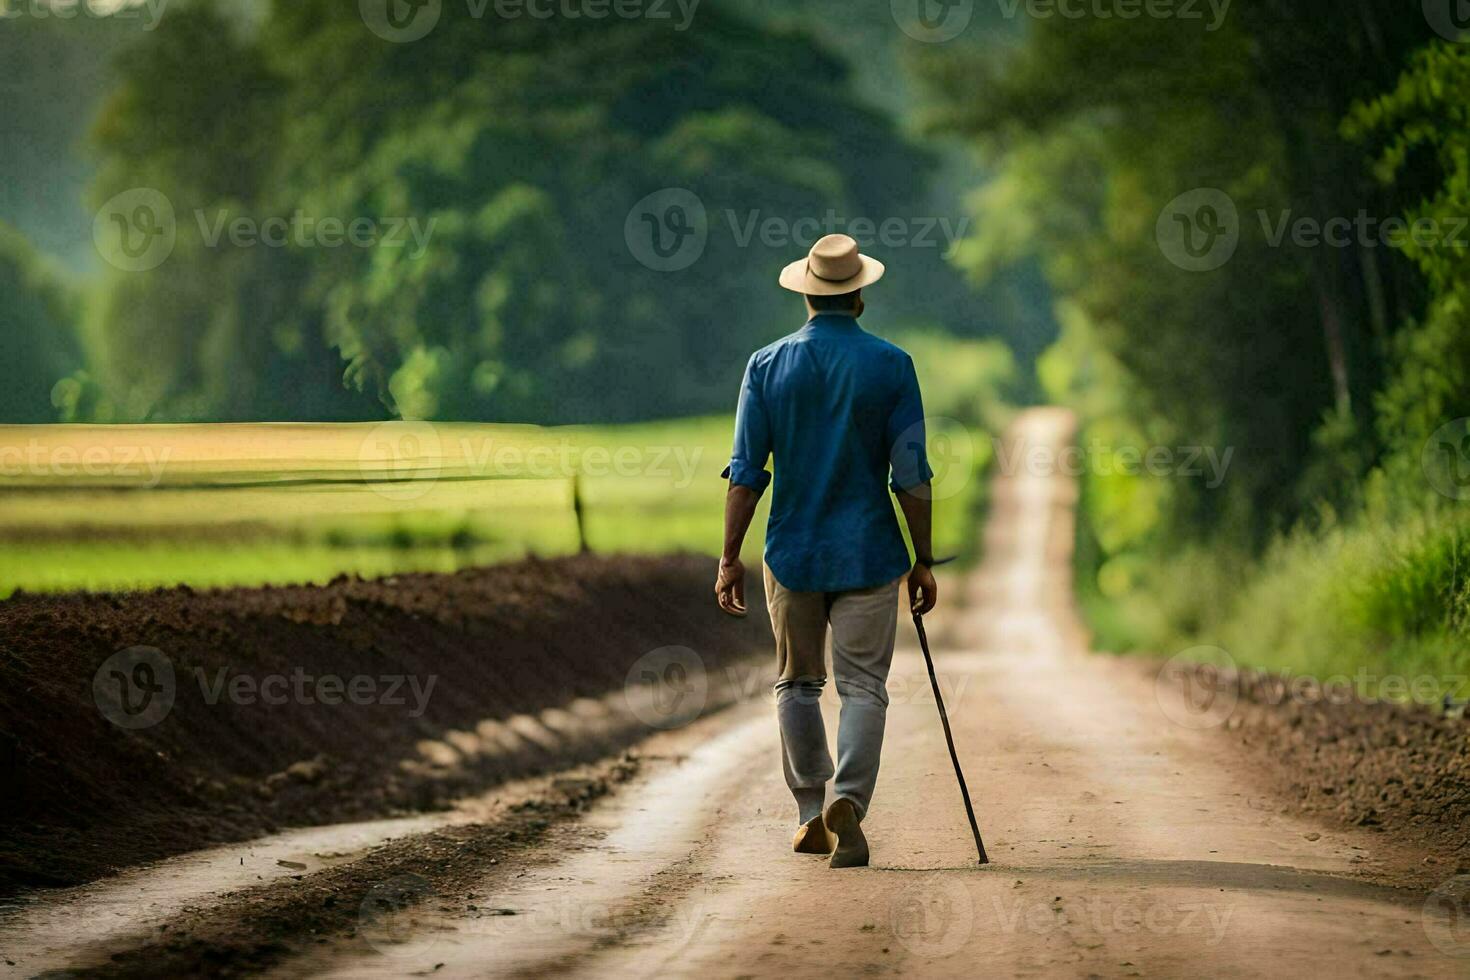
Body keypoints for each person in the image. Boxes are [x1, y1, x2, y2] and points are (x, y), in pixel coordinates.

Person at [714, 233, 938, 869]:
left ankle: (811, 810)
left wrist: (730, 555)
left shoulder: (765, 366)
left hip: (792, 552)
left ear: (808, 293)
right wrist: (922, 556)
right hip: (869, 551)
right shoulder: (893, 365)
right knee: (864, 686)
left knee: (798, 683)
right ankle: (850, 802)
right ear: (859, 295)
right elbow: (912, 474)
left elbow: (745, 472)